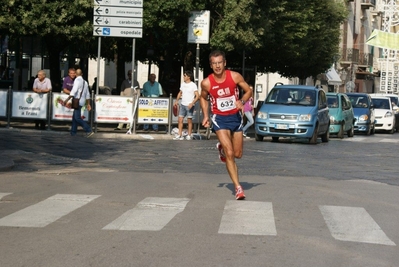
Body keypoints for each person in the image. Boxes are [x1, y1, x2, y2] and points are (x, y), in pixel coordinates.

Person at [200, 50, 252, 200]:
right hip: (219, 119)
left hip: (235, 118)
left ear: (225, 63)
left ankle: (222, 148)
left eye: (219, 63)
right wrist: (205, 116)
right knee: (230, 154)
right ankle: (238, 188)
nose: (217, 66)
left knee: (238, 154)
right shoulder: (207, 82)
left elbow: (248, 91)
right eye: (214, 63)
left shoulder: (234, 76)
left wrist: (241, 101)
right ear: (211, 65)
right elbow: (203, 98)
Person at [63, 69, 94, 138]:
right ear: (82, 74)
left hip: (77, 101)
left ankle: (89, 130)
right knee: (74, 117)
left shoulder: (77, 80)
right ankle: (73, 132)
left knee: (77, 118)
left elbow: (74, 91)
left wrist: (67, 99)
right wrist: (88, 103)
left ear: (76, 74)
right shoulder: (85, 82)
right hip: (82, 101)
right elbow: (88, 94)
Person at [173, 70, 200, 140]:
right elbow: (180, 92)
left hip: (189, 105)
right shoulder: (183, 84)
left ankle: (189, 134)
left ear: (189, 77)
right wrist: (176, 101)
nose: (183, 77)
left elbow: (197, 96)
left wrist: (192, 103)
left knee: (189, 120)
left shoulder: (193, 85)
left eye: (185, 76)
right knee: (180, 119)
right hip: (182, 104)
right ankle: (180, 134)